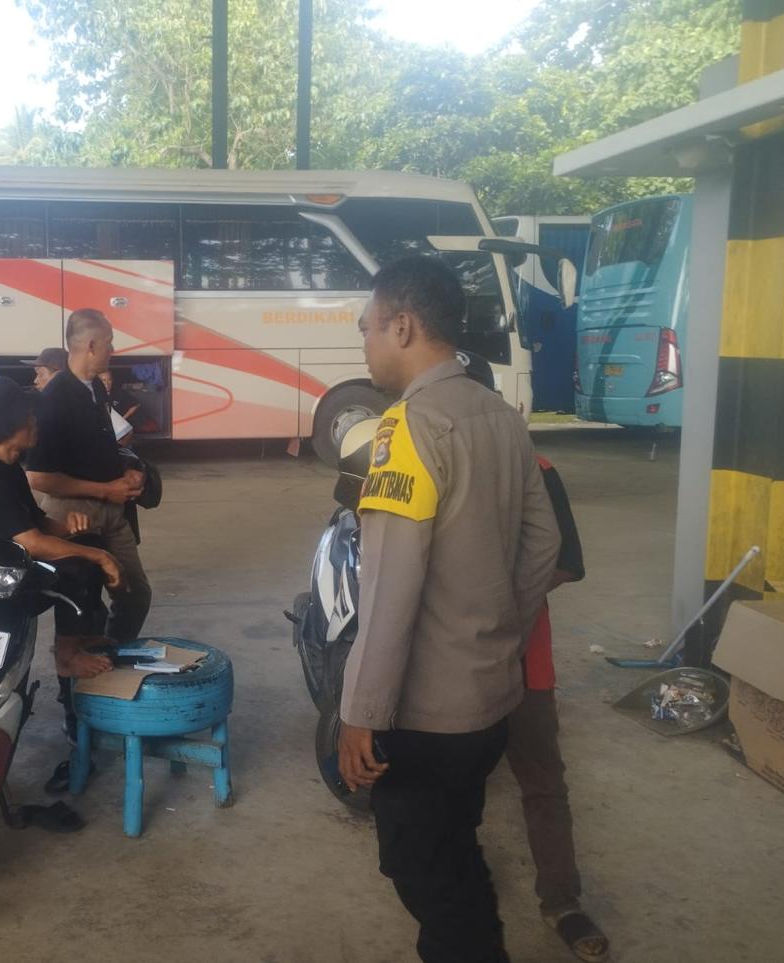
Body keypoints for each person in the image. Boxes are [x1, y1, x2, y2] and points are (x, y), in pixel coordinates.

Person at [336, 257, 561, 963]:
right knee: (456, 844)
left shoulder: (408, 426)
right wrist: (494, 632)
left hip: (425, 717)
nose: (365, 343)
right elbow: (544, 544)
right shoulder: (499, 415)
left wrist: (359, 712)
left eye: (368, 327)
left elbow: (389, 587)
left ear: (402, 326)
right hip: (490, 700)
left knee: (423, 869)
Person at [459, 355, 609, 963]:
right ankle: (459, 896)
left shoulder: (538, 472)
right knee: (453, 785)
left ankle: (562, 901)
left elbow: (568, 562)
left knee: (543, 780)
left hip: (526, 660)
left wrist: (505, 597)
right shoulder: (427, 470)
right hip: (452, 666)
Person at [0, 377, 123, 681]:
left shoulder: (8, 467)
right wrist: (100, 557)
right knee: (77, 567)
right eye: (28, 415)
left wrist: (70, 527)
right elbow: (33, 542)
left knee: (92, 543)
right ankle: (66, 657)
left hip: (6, 566)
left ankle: (79, 636)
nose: (34, 420)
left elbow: (38, 522)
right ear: (7, 424)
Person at [25, 309, 152, 644]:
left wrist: (127, 470)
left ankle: (112, 653)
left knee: (135, 595)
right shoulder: (54, 399)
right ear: (92, 346)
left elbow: (102, 445)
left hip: (112, 510)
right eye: (109, 343)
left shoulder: (95, 386)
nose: (113, 350)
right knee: (84, 601)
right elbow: (38, 478)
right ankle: (81, 671)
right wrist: (106, 490)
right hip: (73, 515)